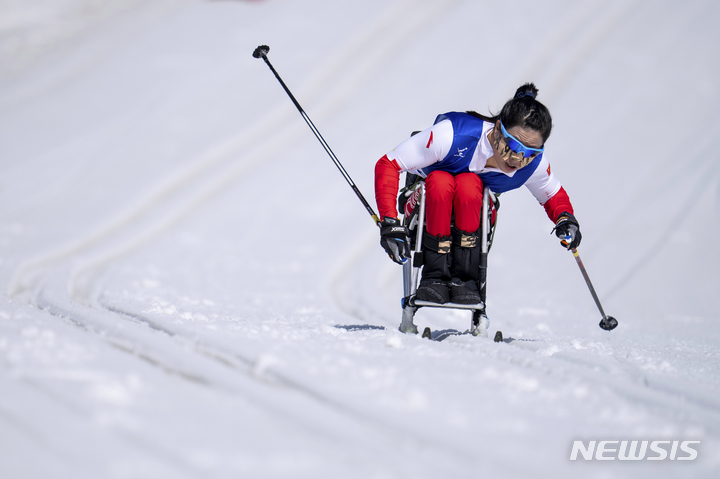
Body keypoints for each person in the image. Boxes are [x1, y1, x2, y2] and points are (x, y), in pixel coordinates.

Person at [374, 83, 581, 305]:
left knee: (469, 183)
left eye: (530, 153)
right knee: (442, 180)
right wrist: (389, 222)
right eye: (512, 145)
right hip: (424, 207)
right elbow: (388, 164)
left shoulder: (534, 166)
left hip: (474, 215)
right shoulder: (453, 135)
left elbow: (552, 196)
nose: (517, 159)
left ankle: (465, 279)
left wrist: (566, 220)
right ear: (498, 127)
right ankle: (434, 275)